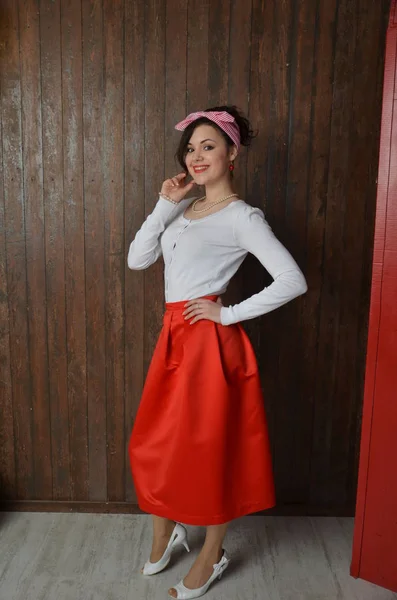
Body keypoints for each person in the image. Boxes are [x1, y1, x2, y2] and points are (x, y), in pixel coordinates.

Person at [127, 106, 308, 599]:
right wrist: (165, 204)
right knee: (158, 441)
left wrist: (225, 315)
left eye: (208, 146)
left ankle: (212, 554)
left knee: (210, 449)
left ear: (233, 152)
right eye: (190, 148)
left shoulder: (242, 217)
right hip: (173, 337)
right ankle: (168, 530)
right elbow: (137, 258)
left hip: (208, 343)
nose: (197, 156)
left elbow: (293, 281)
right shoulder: (184, 210)